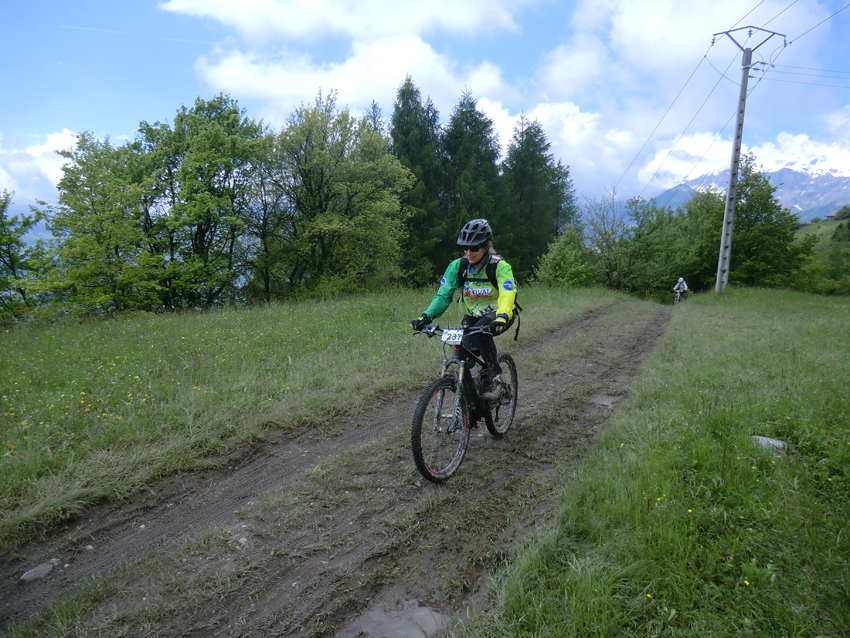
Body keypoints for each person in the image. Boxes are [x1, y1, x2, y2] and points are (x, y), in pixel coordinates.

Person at [411, 219, 517, 401]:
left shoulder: (499, 266)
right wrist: (427, 316)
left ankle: (495, 379)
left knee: (482, 333)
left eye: (474, 248)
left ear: (486, 246)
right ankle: (474, 386)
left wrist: (502, 316)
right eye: (465, 248)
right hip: (472, 315)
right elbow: (444, 295)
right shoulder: (458, 266)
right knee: (462, 351)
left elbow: (507, 293)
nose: (469, 253)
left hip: (499, 313)